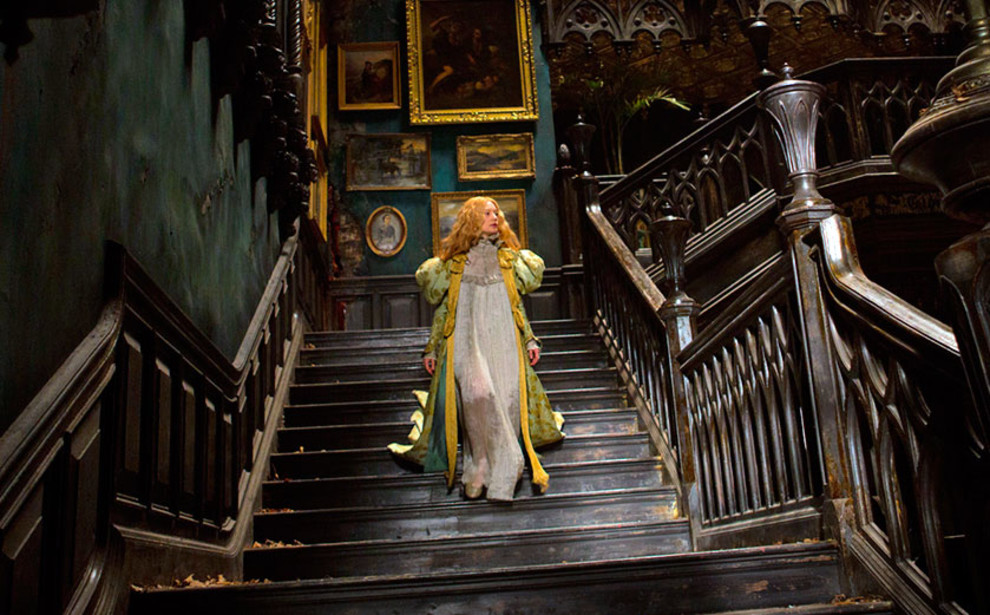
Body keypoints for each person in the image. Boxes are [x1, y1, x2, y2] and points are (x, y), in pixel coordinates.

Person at [388, 196, 564, 501]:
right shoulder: (454, 264)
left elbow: (516, 306)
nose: (494, 217)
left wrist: (529, 339)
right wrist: (432, 348)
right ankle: (481, 465)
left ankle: (498, 470)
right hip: (467, 340)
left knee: (507, 401)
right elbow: (445, 309)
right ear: (471, 219)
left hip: (504, 339)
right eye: (486, 213)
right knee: (477, 395)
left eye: (496, 213)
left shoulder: (508, 259)